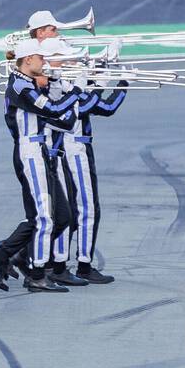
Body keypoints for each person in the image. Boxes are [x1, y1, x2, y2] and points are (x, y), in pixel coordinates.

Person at [0, 38, 82, 293]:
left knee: (62, 216)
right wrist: (76, 90)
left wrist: (57, 85)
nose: (44, 62)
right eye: (40, 58)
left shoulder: (31, 84)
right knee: (43, 217)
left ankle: (10, 255)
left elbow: (65, 121)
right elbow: (55, 110)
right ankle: (34, 273)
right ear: (27, 61)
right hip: (30, 152)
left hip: (41, 151)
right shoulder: (21, 88)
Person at [41, 37, 125, 284]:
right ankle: (76, 265)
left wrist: (102, 76)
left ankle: (58, 263)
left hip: (69, 146)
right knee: (85, 208)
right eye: (68, 57)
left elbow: (95, 104)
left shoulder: (65, 80)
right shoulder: (62, 83)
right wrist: (115, 81)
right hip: (73, 146)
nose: (75, 60)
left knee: (71, 209)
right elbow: (97, 106)